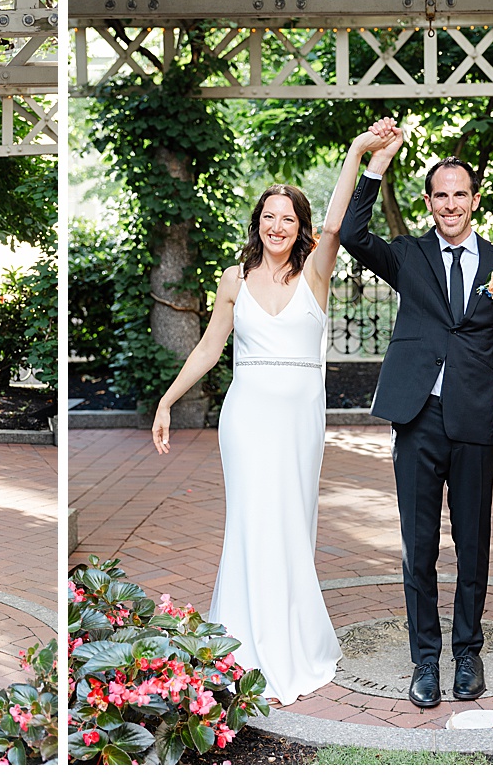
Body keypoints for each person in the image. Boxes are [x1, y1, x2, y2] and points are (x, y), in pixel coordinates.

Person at [150, 126, 397, 706]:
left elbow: (337, 225)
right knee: (250, 523)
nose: (277, 226)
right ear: (257, 223)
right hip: (246, 417)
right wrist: (166, 400)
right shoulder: (234, 279)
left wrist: (358, 153)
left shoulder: (316, 271)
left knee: (291, 526)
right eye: (269, 217)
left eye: (288, 218)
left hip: (299, 422)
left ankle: (291, 638)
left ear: (299, 226)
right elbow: (211, 346)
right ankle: (243, 640)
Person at [340, 118, 493, 709]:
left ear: (474, 201)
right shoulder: (408, 256)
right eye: (441, 195)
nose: (451, 204)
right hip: (418, 419)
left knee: (473, 544)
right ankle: (424, 660)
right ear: (428, 203)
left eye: (460, 194)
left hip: (476, 422)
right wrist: (376, 161)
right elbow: (352, 233)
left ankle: (468, 655)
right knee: (418, 544)